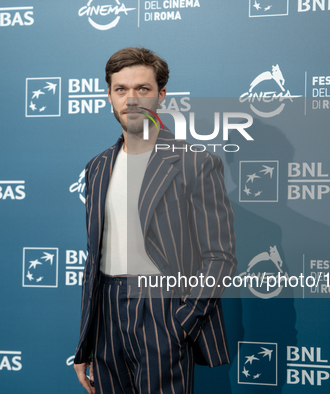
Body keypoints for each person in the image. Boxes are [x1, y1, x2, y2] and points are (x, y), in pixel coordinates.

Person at [73, 47, 237, 394]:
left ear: (161, 95)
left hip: (163, 311)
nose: (131, 99)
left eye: (143, 89)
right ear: (109, 96)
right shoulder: (97, 167)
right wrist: (86, 342)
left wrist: (183, 322)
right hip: (106, 315)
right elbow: (95, 258)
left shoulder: (194, 162)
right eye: (121, 89)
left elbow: (220, 256)